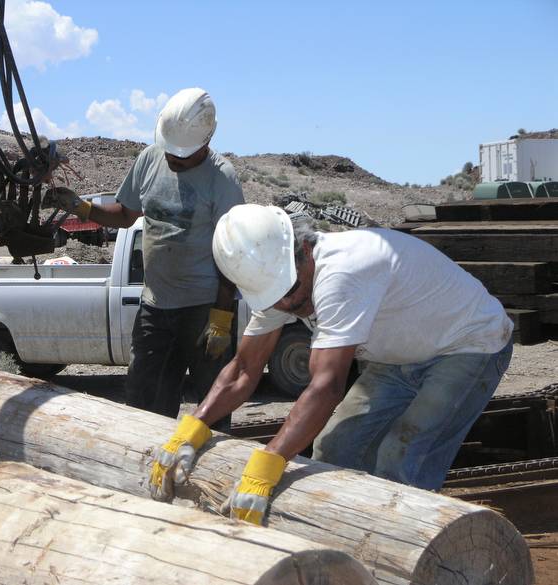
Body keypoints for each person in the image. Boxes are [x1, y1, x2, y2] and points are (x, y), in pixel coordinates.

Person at [149, 203, 514, 525]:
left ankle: (398, 553)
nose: (290, 307)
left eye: (292, 294)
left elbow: (326, 387)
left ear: (305, 250)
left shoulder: (343, 273)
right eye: (277, 300)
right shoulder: (280, 284)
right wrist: (191, 430)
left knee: (401, 457)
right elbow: (244, 371)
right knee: (335, 448)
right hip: (400, 356)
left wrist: (267, 464)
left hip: (470, 343)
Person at [48, 88, 244, 422]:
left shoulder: (222, 179)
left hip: (204, 310)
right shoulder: (150, 159)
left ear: (205, 141)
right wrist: (82, 207)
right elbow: (125, 214)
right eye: (170, 151)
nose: (173, 158)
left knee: (214, 408)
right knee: (145, 404)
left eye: (181, 155)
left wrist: (222, 317)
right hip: (155, 306)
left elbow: (232, 250)